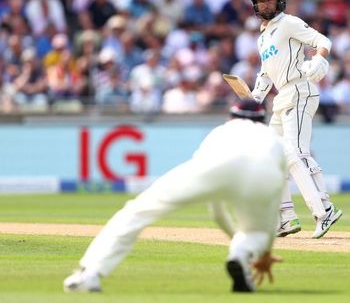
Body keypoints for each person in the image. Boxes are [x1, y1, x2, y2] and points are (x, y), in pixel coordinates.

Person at [63, 100, 287, 293]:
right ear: (263, 120)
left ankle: (90, 273)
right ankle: (241, 253)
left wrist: (231, 233)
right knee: (254, 232)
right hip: (263, 172)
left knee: (138, 210)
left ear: (230, 117)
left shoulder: (220, 132)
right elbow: (273, 205)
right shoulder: (274, 140)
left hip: (216, 166)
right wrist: (265, 251)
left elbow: (217, 211)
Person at [249, 0, 342, 239]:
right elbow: (266, 74)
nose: (265, 4)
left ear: (279, 0)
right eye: (260, 1)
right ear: (255, 6)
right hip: (281, 99)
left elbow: (322, 40)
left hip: (300, 90)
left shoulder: (288, 22)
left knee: (295, 153)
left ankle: (324, 210)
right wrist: (254, 96)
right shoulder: (262, 37)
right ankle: (286, 218)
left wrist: (319, 58)